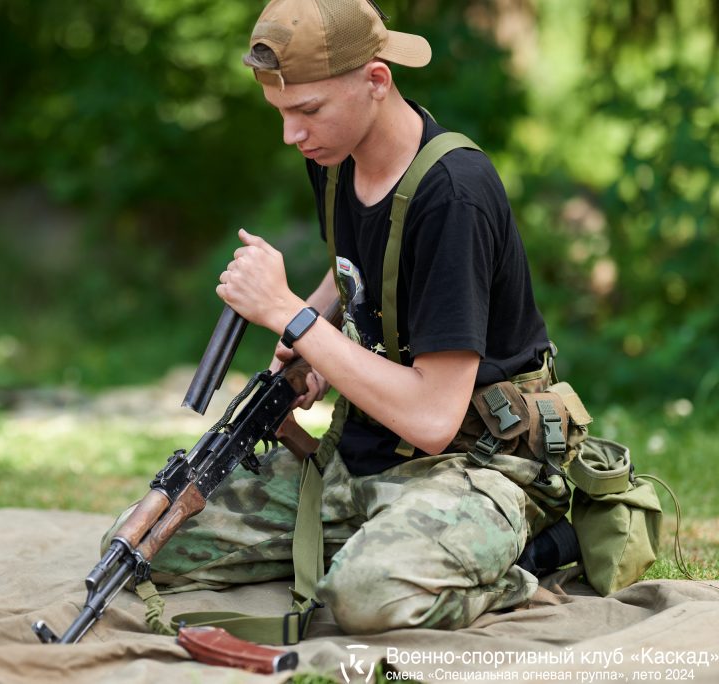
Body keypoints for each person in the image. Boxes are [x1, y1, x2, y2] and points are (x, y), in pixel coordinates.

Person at [104, 0, 573, 634]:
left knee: (365, 600)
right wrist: (316, 335)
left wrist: (293, 318)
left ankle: (527, 553)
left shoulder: (453, 196)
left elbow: (434, 419)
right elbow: (354, 266)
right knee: (149, 544)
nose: (292, 135)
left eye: (308, 111)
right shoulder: (335, 157)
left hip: (472, 463)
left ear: (376, 82)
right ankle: (382, 541)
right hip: (363, 453)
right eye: (282, 113)